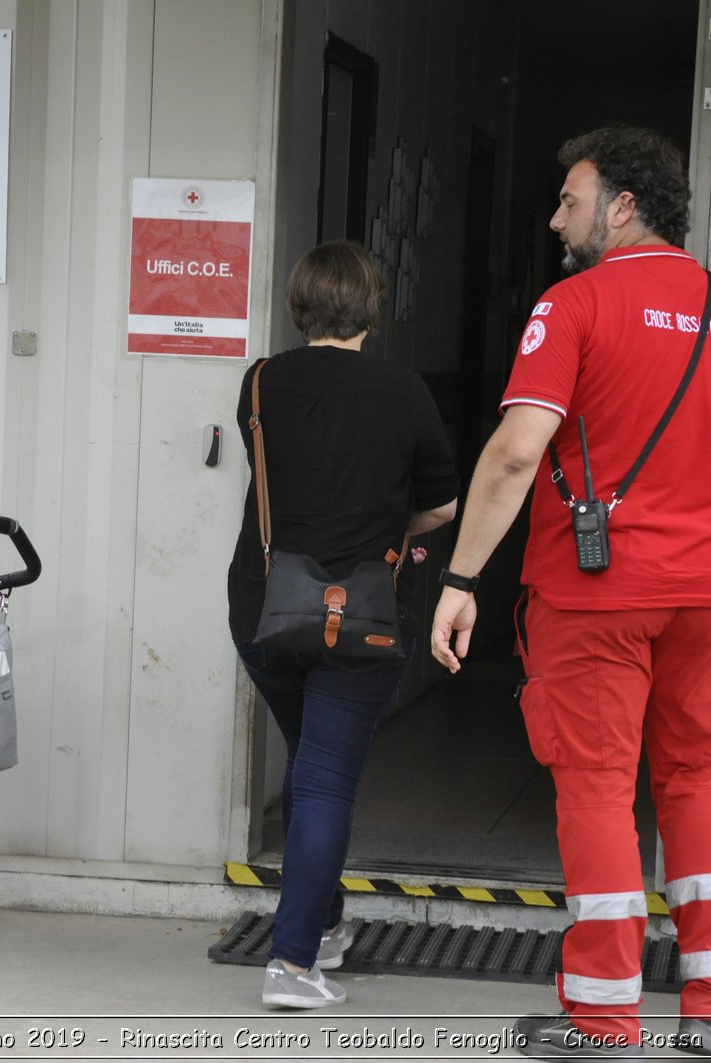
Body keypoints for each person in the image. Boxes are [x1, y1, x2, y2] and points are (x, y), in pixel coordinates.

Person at [429, 127, 711, 1059]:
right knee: (696, 779)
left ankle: (601, 1017)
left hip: (597, 595)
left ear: (622, 205)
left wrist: (462, 576)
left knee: (596, 786)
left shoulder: (574, 305)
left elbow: (518, 450)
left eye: (570, 199)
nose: (556, 218)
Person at [228, 240, 459, 1009]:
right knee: (325, 778)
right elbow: (443, 505)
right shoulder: (404, 391)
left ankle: (321, 925)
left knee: (308, 764)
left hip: (264, 607)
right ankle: (292, 964)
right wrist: (395, 529)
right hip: (362, 614)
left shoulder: (259, 381)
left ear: (299, 308)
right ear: (371, 306)